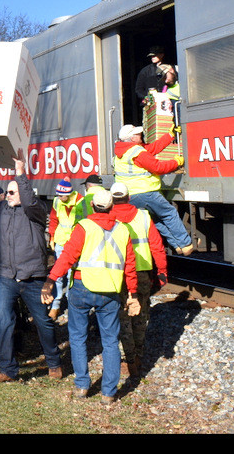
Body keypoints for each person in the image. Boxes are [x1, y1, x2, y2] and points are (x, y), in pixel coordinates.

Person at [0, 155, 62, 383]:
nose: (6, 196)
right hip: (7, 276)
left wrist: (20, 173)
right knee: (4, 321)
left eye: (11, 192)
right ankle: (8, 369)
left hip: (32, 277)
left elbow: (28, 201)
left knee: (43, 322)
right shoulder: (2, 209)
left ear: (23, 192)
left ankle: (54, 362)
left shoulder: (36, 211)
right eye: (7, 192)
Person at [42, 188, 141, 405]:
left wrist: (51, 280)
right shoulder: (123, 230)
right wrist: (133, 293)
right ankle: (108, 392)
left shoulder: (84, 227)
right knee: (110, 341)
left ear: (93, 206)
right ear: (111, 207)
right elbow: (130, 267)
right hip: (111, 292)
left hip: (82, 287)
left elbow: (68, 256)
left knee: (77, 338)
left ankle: (82, 386)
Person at [110, 182, 168, 379]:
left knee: (123, 317)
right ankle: (139, 354)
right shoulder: (143, 216)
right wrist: (162, 270)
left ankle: (129, 359)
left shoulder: (109, 218)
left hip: (117, 275)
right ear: (128, 197)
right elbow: (156, 245)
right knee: (141, 315)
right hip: (142, 272)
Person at [113, 124, 194, 254]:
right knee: (169, 213)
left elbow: (152, 148)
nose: (141, 135)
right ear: (132, 138)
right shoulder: (137, 152)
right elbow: (157, 168)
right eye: (138, 133)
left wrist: (170, 135)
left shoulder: (122, 153)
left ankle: (177, 246)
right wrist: (176, 163)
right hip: (146, 192)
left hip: (131, 196)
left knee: (157, 220)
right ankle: (186, 244)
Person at [46, 177, 85, 315]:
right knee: (58, 275)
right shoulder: (57, 201)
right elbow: (54, 219)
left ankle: (71, 303)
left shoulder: (80, 202)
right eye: (58, 195)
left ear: (69, 194)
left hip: (74, 244)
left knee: (71, 275)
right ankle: (56, 305)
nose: (59, 197)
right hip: (61, 241)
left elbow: (82, 223)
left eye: (62, 195)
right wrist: (51, 236)